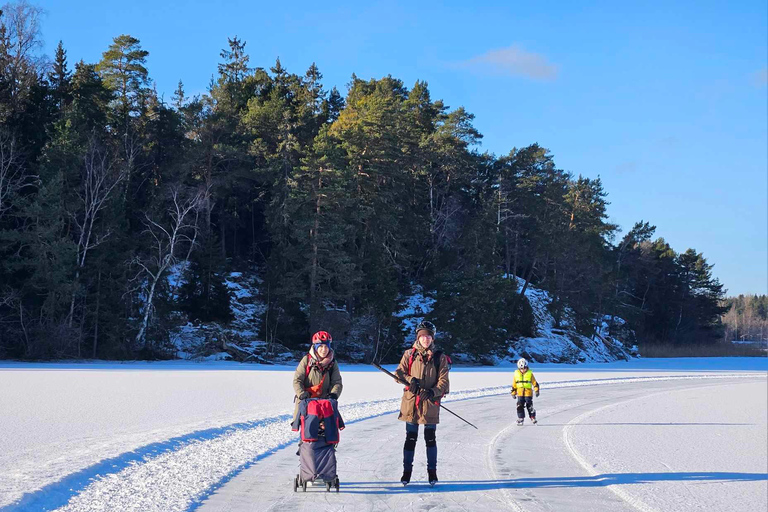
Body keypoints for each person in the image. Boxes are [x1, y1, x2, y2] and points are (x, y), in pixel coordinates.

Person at [394, 320, 450, 486]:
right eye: (423, 336)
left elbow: (444, 381)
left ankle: (432, 473)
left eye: (428, 336)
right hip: (411, 403)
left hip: (430, 404)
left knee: (430, 438)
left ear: (433, 338)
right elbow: (399, 373)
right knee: (410, 438)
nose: (425, 339)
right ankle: (406, 473)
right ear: (418, 338)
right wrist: (411, 381)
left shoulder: (440, 357)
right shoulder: (409, 354)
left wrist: (432, 392)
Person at [292, 331, 343, 424]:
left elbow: (337, 382)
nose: (324, 350)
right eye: (321, 346)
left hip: (325, 405)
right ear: (315, 347)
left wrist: (334, 394)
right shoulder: (307, 360)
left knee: (328, 433)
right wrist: (301, 393)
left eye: (326, 346)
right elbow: (297, 380)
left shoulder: (332, 363)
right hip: (307, 403)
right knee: (307, 433)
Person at [511, 357, 540, 425]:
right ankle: (521, 418)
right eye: (522, 368)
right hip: (520, 393)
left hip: (528, 392)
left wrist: (536, 390)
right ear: (519, 368)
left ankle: (532, 417)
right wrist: (513, 393)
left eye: (525, 368)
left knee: (529, 405)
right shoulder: (516, 374)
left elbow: (534, 383)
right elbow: (514, 384)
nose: (523, 370)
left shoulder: (530, 374)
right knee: (519, 405)